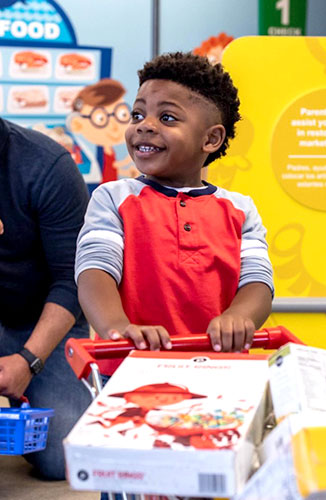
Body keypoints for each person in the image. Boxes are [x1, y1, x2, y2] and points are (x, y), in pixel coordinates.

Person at [75, 51, 274, 360]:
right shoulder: (113, 198)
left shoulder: (240, 209)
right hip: (133, 368)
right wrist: (118, 327)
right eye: (138, 115)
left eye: (166, 117)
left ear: (210, 139)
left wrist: (240, 317)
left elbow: (257, 281)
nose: (145, 126)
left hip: (219, 370)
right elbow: (95, 270)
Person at [0, 118, 92, 480]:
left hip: (43, 321)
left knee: (62, 460)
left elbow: (73, 281)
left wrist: (27, 360)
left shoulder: (46, 164)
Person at [68, 78, 139, 183]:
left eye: (122, 114)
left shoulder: (109, 150)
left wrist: (128, 172)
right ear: (77, 124)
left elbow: (113, 168)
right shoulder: (92, 153)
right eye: (100, 119)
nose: (113, 126)